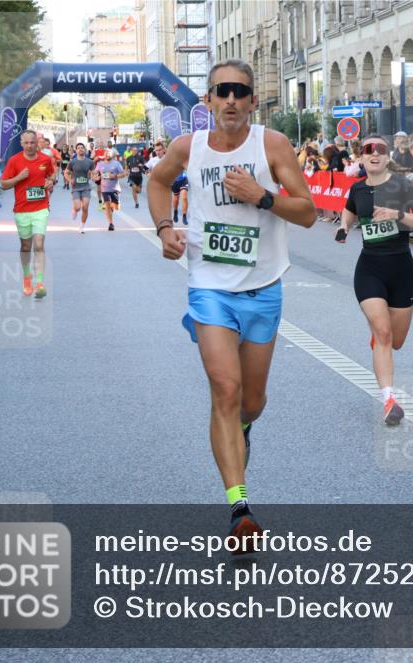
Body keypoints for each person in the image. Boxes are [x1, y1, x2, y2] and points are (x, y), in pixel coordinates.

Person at [147, 59, 316, 549]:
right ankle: (239, 507)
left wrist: (262, 197)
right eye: (222, 91)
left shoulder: (273, 145)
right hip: (209, 286)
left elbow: (306, 213)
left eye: (240, 91)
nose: (231, 100)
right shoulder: (188, 147)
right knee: (225, 388)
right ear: (208, 100)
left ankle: (242, 427)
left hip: (263, 287)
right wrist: (163, 228)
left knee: (251, 402)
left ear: (252, 101)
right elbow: (158, 183)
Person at [334, 134, 413, 425]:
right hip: (369, 268)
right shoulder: (358, 189)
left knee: (396, 341)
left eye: (379, 149)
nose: (374, 154)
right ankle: (389, 400)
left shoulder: (401, 185)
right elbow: (349, 212)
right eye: (368, 150)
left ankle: (380, 338)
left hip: (402, 268)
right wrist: (343, 227)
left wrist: (397, 215)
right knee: (384, 334)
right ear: (361, 158)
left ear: (387, 156)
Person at [0, 129, 56, 299]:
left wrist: (50, 181)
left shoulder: (45, 159)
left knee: (39, 244)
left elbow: (52, 174)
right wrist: (19, 178)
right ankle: (27, 278)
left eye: (33, 142)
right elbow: (3, 184)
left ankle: (39, 283)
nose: (30, 145)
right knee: (26, 247)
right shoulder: (14, 161)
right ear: (21, 144)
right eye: (26, 143)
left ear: (36, 142)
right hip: (22, 210)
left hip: (40, 208)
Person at [68, 143, 97, 233]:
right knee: (78, 207)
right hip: (76, 187)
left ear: (84, 150)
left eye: (82, 148)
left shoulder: (90, 162)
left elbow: (93, 173)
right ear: (76, 150)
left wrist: (95, 177)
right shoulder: (72, 162)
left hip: (86, 187)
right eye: (78, 148)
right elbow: (66, 173)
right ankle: (75, 209)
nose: (80, 149)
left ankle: (82, 226)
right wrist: (70, 179)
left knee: (85, 207)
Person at [98, 149, 125, 231]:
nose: (107, 155)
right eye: (105, 153)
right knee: (107, 205)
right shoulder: (100, 164)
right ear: (104, 155)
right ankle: (111, 224)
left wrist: (115, 176)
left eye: (108, 153)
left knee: (116, 207)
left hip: (115, 189)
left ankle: (113, 206)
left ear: (112, 155)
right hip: (105, 189)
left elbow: (123, 174)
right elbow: (95, 173)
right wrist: (95, 177)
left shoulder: (116, 164)